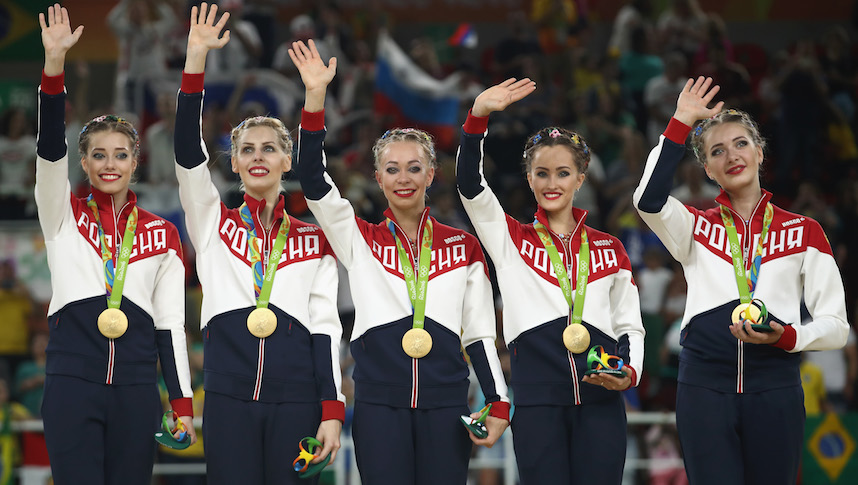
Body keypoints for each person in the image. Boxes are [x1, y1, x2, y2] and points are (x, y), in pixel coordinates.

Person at [290, 39, 510, 485]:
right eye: (392, 169)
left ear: (432, 174)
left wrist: (498, 400)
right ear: (377, 178)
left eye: (414, 168)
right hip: (378, 405)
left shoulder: (463, 246)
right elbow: (314, 183)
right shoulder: (359, 239)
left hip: (447, 403)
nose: (403, 178)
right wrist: (315, 98)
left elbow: (481, 332)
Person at [632, 76, 850, 485]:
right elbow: (647, 200)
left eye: (740, 143)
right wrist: (679, 121)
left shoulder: (805, 231)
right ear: (708, 170)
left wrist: (787, 337)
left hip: (776, 387)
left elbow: (837, 327)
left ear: (760, 152)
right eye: (717, 151)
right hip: (703, 386)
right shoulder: (694, 226)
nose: (731, 155)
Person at [173, 5, 343, 484]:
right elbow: (188, 157)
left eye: (270, 148)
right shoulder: (212, 223)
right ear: (234, 164)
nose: (258, 156)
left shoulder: (314, 238)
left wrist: (331, 409)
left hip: (298, 397)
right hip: (228, 395)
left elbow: (326, 327)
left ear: (288, 160)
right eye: (247, 149)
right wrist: (195, 61)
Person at [456, 79, 645, 484]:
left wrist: (629, 373)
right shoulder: (509, 239)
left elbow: (629, 325)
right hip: (538, 405)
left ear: (581, 179)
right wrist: (478, 117)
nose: (552, 183)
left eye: (563, 173)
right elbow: (470, 187)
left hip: (602, 401)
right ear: (529, 179)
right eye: (541, 173)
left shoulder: (610, 247)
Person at [36, 5, 196, 484]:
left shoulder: (163, 234)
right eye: (98, 155)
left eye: (120, 155)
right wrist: (53, 69)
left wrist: (182, 403)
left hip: (135, 388)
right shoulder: (62, 215)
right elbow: (48, 152)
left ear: (135, 162)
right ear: (83, 163)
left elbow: (170, 326)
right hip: (71, 383)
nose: (110, 164)